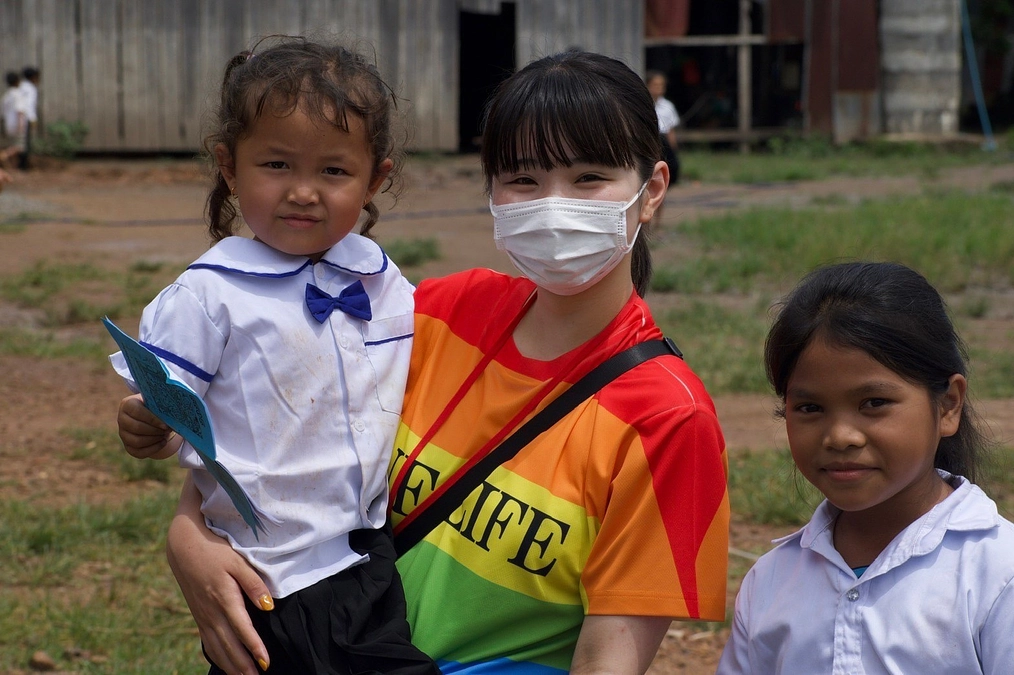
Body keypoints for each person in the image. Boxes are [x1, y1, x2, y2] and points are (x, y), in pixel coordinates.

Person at [120, 49, 730, 674]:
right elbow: (281, 433)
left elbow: (611, 659)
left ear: (651, 190)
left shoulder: (667, 420)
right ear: (492, 191)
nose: (553, 204)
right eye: (523, 179)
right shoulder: (434, 314)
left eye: (589, 178)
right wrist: (188, 536)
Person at [111, 36, 437, 675]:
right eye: (278, 165)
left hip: (371, 554)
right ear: (230, 166)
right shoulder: (209, 294)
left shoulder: (380, 277)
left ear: (377, 179)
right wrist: (142, 423)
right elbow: (160, 405)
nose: (304, 193)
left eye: (334, 172)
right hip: (276, 573)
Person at [717, 261, 1014, 674]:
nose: (840, 436)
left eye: (873, 403)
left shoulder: (999, 574)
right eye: (810, 408)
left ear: (948, 405)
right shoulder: (770, 582)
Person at [645, 70, 679, 190]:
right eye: (655, 85)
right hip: (648, 139)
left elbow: (670, 130)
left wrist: (673, 148)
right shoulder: (643, 104)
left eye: (661, 85)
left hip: (663, 142)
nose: (659, 88)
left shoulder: (668, 106)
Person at [1, 71, 27, 169]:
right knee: (19, 147)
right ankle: (4, 155)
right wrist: (21, 125)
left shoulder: (6, 96)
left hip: (8, 125)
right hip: (17, 124)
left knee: (13, 144)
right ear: (17, 81)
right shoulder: (18, 95)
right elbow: (19, 111)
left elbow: (2, 114)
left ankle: (12, 166)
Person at [17, 66, 39, 170]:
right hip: (25, 118)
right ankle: (23, 165)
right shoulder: (31, 88)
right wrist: (33, 119)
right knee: (25, 142)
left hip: (16, 118)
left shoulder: (20, 86)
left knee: (19, 141)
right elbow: (29, 105)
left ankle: (20, 163)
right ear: (33, 77)